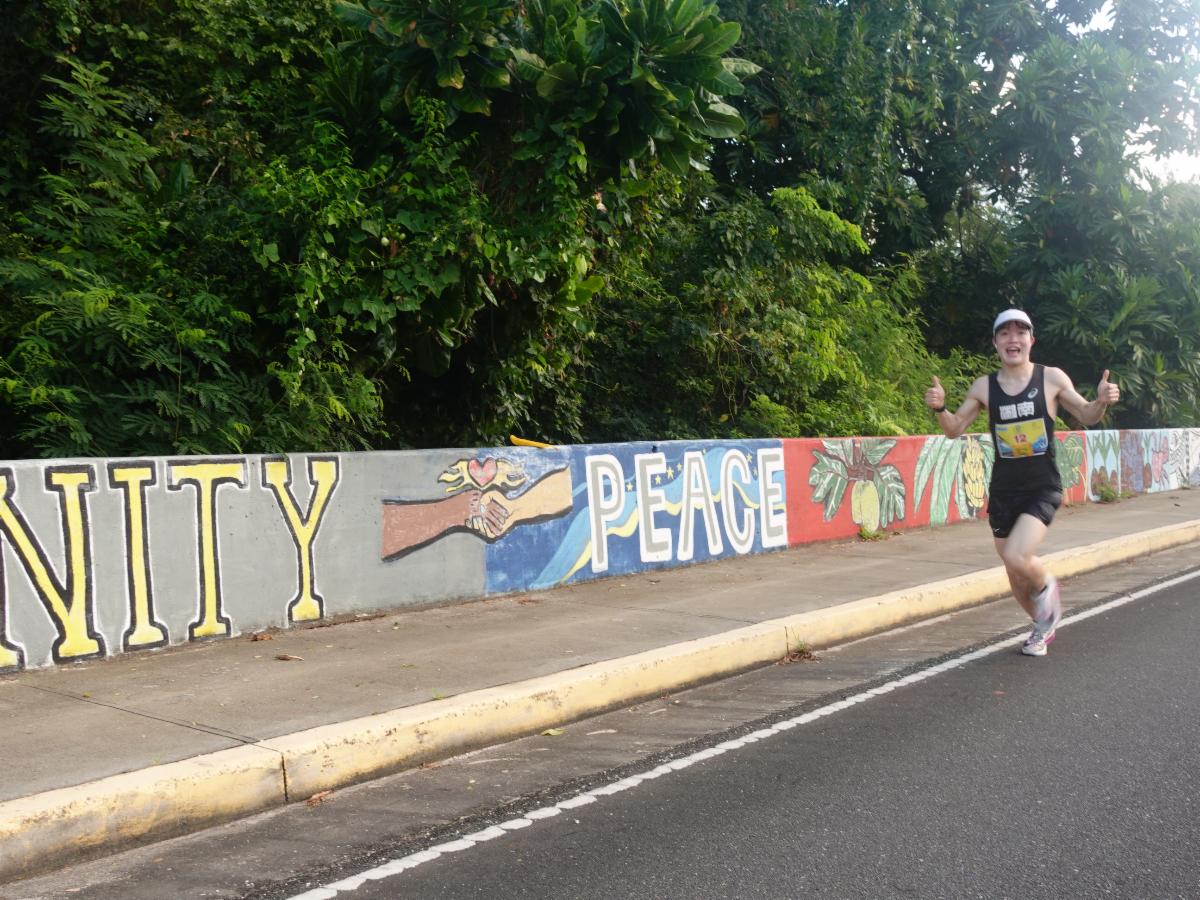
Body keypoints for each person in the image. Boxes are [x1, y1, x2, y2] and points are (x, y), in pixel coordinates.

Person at [924, 308, 1120, 656]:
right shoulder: (984, 387)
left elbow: (1087, 414)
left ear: (1032, 340)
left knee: (1018, 555)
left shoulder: (1051, 379)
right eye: (1005, 334)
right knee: (1014, 574)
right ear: (996, 343)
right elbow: (954, 430)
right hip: (1003, 490)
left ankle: (1048, 588)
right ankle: (1041, 628)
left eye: (1020, 333)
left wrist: (1102, 401)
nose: (1013, 340)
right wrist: (940, 409)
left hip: (1041, 487)